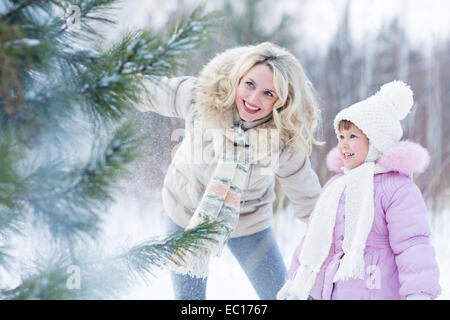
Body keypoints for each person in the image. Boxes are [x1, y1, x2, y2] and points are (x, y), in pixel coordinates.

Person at [133, 42, 323, 299]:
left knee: (281, 295)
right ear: (238, 78)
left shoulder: (283, 140)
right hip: (187, 212)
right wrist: (102, 85)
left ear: (282, 102)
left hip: (249, 222)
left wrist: (341, 235)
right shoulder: (202, 97)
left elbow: (309, 197)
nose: (253, 99)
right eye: (250, 85)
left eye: (269, 94)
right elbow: (149, 91)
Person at [278, 81, 441, 300]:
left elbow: (412, 244)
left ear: (376, 141)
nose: (343, 144)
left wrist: (418, 292)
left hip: (377, 290)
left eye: (353, 136)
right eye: (341, 137)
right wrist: (296, 283)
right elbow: (314, 240)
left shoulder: (398, 189)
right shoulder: (336, 186)